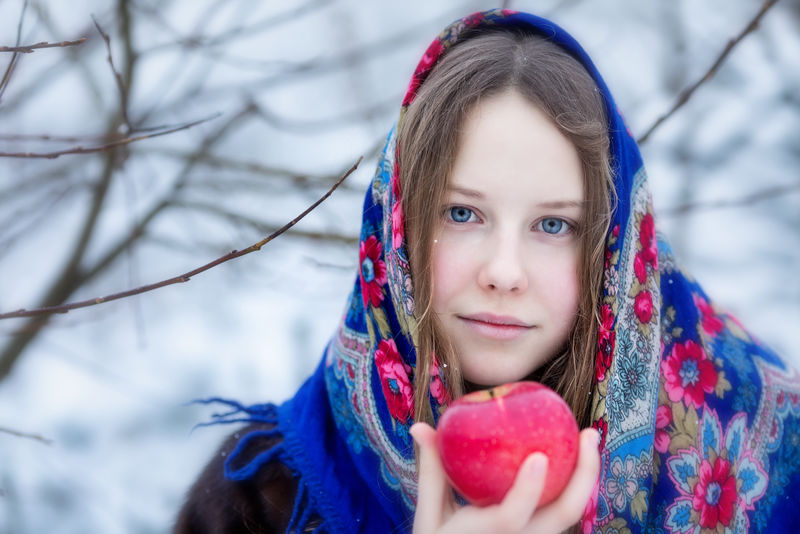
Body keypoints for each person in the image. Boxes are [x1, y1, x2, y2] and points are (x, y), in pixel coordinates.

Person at [174, 10, 800, 534]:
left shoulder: (769, 458)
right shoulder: (266, 495)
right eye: (463, 212)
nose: (504, 272)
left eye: (554, 225)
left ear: (614, 249)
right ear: (399, 225)